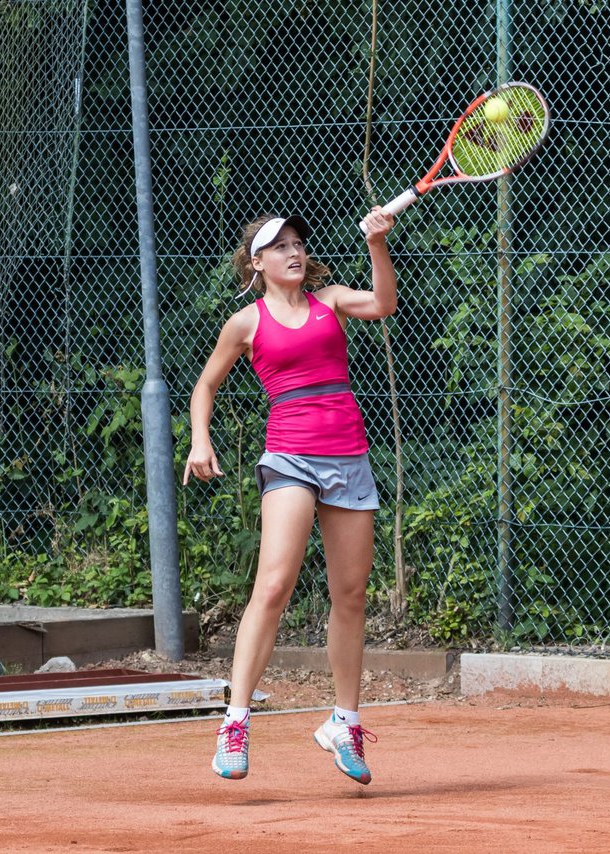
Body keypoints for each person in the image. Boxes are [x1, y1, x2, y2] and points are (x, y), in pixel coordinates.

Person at [183, 208, 398, 785]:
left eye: (299, 244)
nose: (293, 253)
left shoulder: (330, 300)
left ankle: (344, 723)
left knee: (350, 595)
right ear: (257, 263)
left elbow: (382, 305)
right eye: (279, 248)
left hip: (348, 457)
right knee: (274, 585)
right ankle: (234, 721)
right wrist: (199, 439)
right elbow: (206, 384)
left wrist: (377, 243)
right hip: (289, 458)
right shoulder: (245, 323)